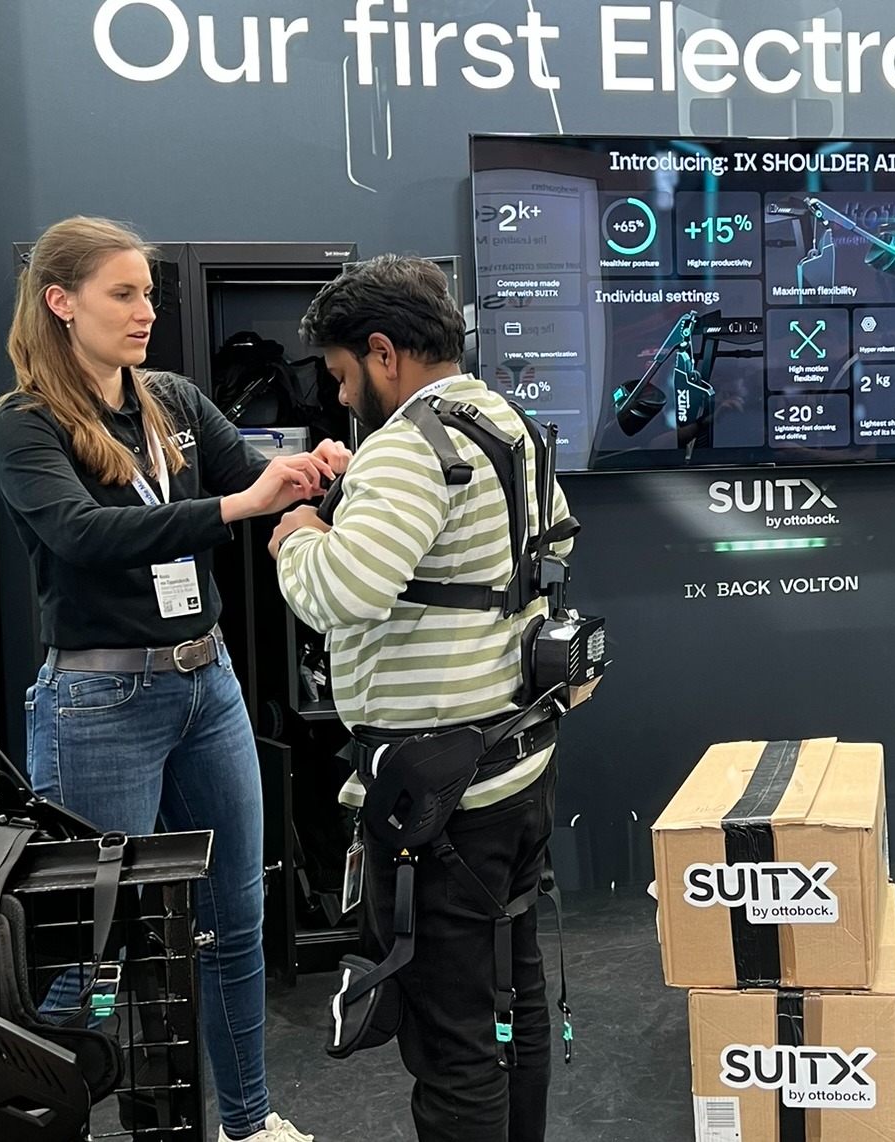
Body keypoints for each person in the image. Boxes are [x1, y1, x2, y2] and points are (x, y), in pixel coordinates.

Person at [0, 215, 343, 1142]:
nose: (146, 310)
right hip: (101, 704)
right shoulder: (24, 425)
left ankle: (250, 1123)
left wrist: (305, 472)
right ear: (61, 303)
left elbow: (253, 473)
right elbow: (82, 536)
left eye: (148, 292)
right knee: (85, 942)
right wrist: (235, 504)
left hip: (206, 686)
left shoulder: (175, 401)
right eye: (124, 293)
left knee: (234, 919)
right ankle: (24, 1117)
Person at [271, 254, 572, 1142]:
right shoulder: (501, 420)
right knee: (509, 1004)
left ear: (381, 352)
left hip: (438, 799)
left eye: (338, 376)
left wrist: (297, 536)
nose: (338, 398)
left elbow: (342, 592)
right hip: (510, 769)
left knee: (451, 1041)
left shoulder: (407, 443)